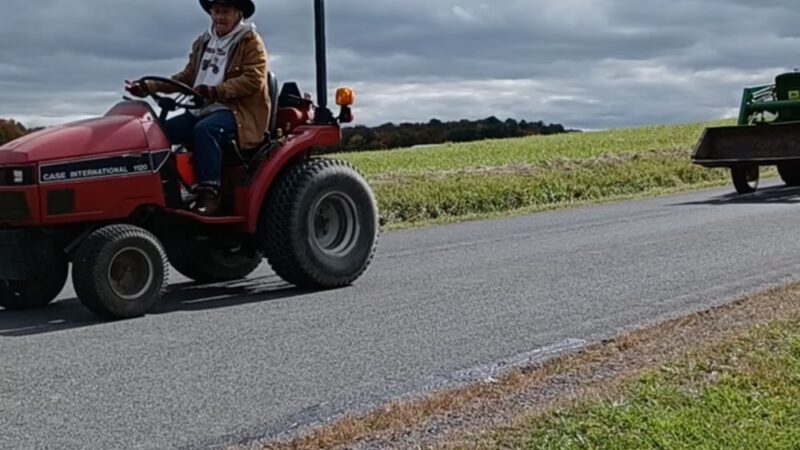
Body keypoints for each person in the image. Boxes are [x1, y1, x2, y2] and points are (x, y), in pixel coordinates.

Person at [125, 0, 270, 216]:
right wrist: (148, 87)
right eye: (216, 11)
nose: (219, 17)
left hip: (235, 111)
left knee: (205, 130)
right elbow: (187, 77)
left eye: (225, 12)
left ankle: (210, 193)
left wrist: (216, 91)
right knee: (158, 131)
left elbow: (253, 80)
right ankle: (162, 189)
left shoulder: (250, 42)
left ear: (238, 14)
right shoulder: (204, 42)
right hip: (203, 108)